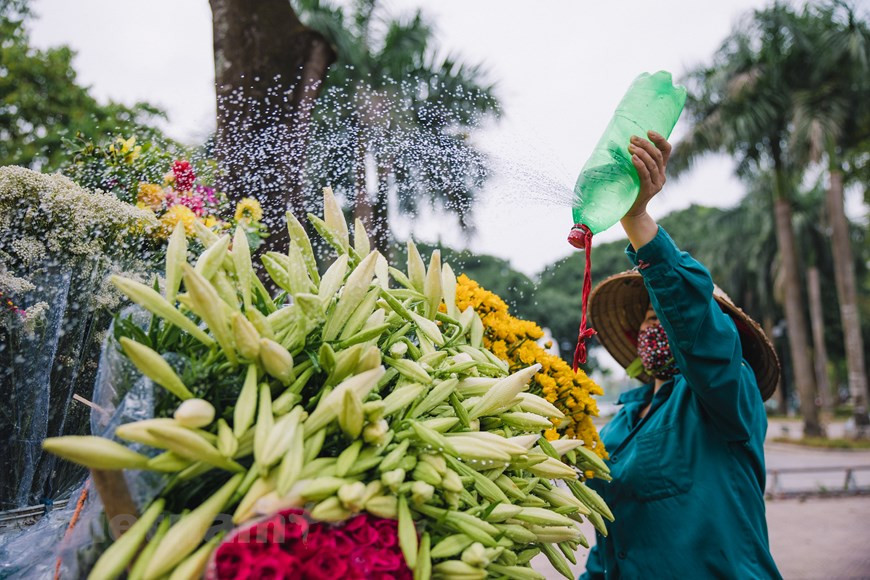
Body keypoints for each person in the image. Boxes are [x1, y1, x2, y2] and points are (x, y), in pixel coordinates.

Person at [579, 131, 782, 578]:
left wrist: (636, 217)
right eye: (649, 319)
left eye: (666, 319)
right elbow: (610, 543)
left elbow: (695, 325)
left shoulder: (727, 397)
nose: (656, 327)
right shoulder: (619, 425)